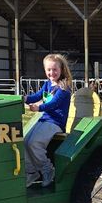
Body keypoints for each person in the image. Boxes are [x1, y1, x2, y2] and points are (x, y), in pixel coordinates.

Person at [24, 54, 72, 187]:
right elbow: (37, 96)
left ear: (61, 69)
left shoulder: (63, 88)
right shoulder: (47, 85)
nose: (52, 73)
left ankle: (47, 169)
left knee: (34, 143)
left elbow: (53, 104)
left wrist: (39, 108)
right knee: (25, 140)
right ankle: (31, 172)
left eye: (55, 69)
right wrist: (25, 98)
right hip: (44, 120)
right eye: (48, 70)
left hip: (55, 123)